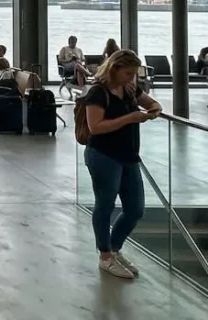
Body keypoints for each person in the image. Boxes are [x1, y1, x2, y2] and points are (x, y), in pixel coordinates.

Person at [82, 49, 161, 280]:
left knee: (135, 208)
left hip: (128, 156)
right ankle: (105, 255)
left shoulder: (129, 89)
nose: (131, 78)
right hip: (104, 155)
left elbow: (150, 101)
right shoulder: (98, 92)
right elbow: (95, 127)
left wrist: (154, 108)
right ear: (115, 69)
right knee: (105, 204)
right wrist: (130, 118)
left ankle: (114, 249)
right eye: (128, 73)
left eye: (134, 74)